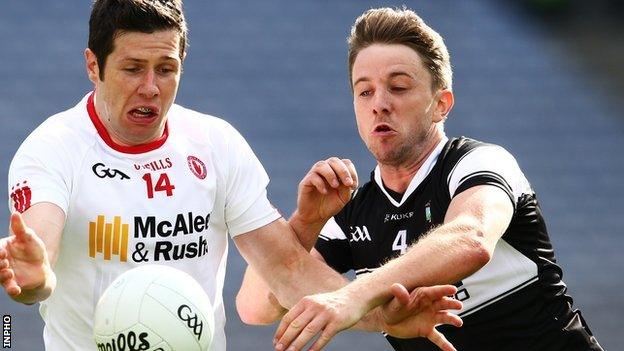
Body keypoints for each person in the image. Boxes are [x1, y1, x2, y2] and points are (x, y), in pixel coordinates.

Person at [0, 1, 463, 350]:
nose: (150, 87)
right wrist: (36, 275)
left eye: (166, 69)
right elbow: (38, 256)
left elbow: (286, 270)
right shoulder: (52, 148)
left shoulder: (215, 144)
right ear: (93, 66)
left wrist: (382, 316)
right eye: (132, 69)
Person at [238, 7, 604, 351]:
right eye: (364, 91)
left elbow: (471, 238)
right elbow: (256, 307)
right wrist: (306, 223)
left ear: (441, 104)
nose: (379, 103)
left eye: (398, 87)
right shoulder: (350, 212)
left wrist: (351, 296)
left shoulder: (478, 161)